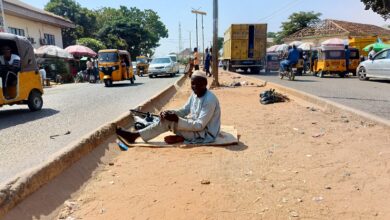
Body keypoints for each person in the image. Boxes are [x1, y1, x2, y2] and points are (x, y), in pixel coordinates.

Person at [116, 70, 221, 145]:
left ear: (205, 84)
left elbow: (199, 125)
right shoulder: (194, 94)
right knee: (166, 118)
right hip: (194, 126)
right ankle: (181, 136)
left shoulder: (209, 100)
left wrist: (176, 119)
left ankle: (133, 136)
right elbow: (184, 110)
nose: (194, 87)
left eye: (198, 84)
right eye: (192, 84)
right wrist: (169, 113)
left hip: (205, 134)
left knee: (168, 122)